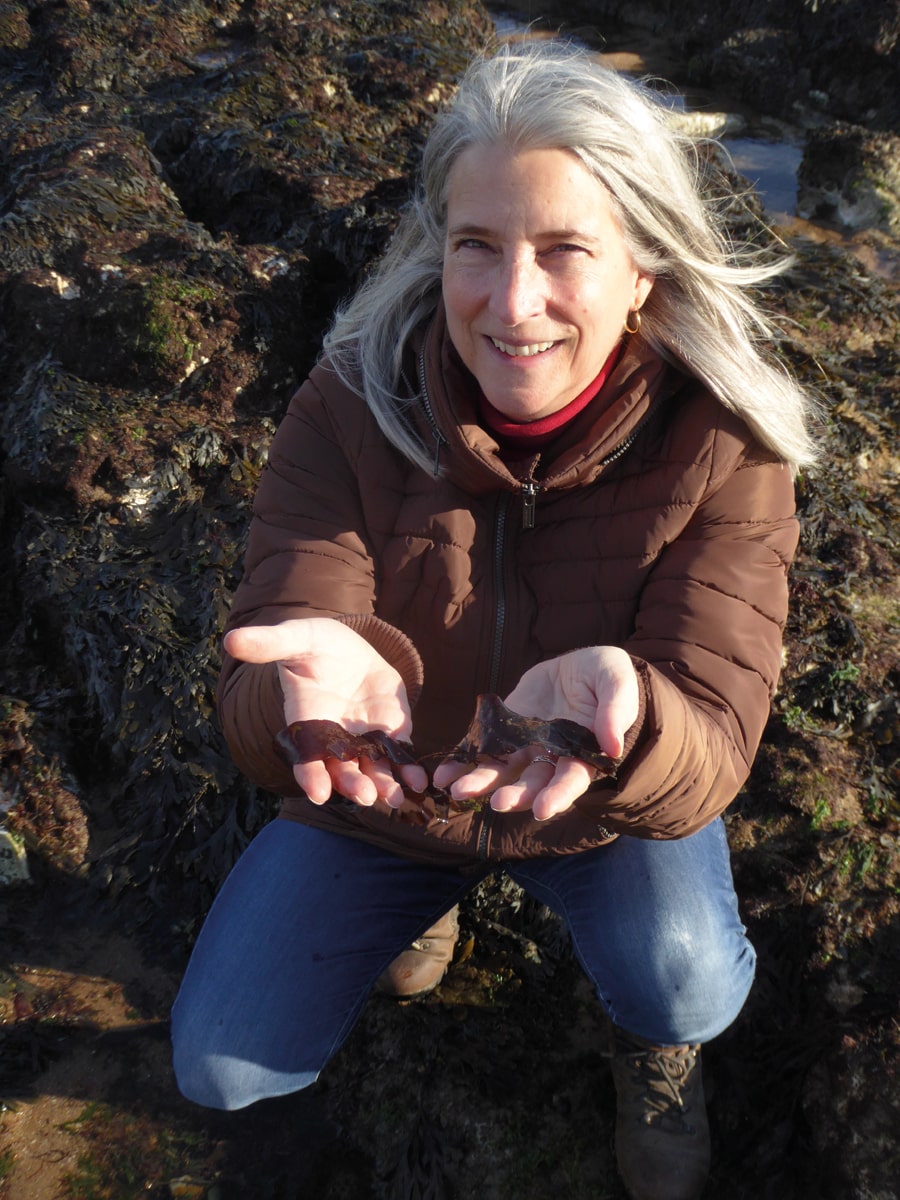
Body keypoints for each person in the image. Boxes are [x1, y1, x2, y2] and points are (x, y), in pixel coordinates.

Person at [171, 40, 815, 1200]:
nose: (512, 303)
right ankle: (423, 903)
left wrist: (641, 718)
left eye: (566, 250)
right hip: (392, 799)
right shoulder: (348, 402)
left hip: (599, 812)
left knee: (688, 982)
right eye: (478, 246)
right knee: (220, 1066)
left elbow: (713, 740)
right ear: (440, 249)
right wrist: (300, 708)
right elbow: (273, 667)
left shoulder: (726, 447)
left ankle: (652, 1049)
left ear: (644, 276)